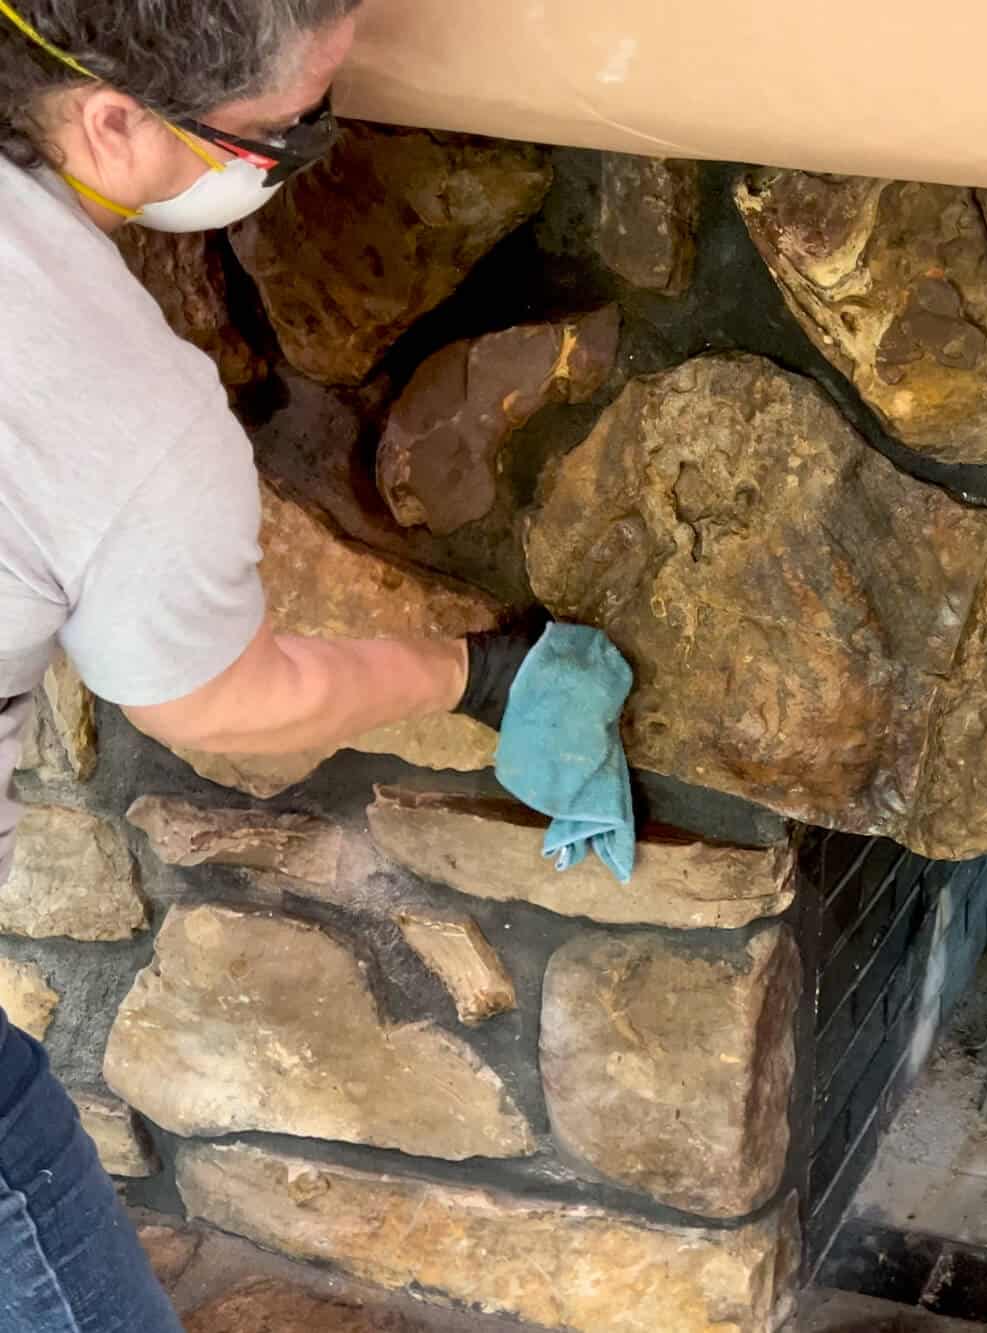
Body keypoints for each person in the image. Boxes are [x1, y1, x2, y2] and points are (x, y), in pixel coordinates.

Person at [0, 3, 536, 1327]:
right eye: (283, 134)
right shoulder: (126, 415)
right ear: (113, 119)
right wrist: (472, 673)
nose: (299, 155)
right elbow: (221, 695)